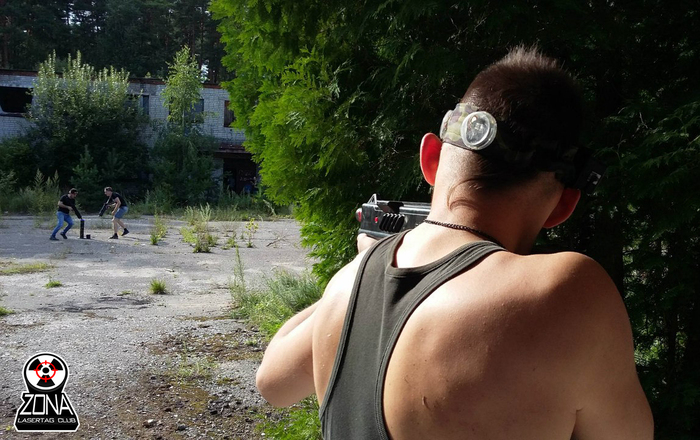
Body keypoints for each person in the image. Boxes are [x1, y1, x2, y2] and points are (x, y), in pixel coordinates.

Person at [255, 47, 654, 439]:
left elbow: (273, 383)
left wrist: (365, 264)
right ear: (564, 206)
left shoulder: (345, 286)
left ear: (430, 158)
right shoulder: (571, 291)